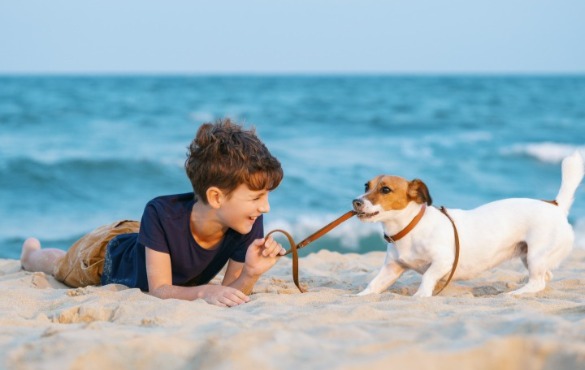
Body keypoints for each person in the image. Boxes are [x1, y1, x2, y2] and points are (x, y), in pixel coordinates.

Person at [20, 118, 286, 307]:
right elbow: (158, 290)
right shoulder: (160, 211)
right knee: (59, 264)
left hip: (148, 242)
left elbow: (229, 294)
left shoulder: (246, 220)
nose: (265, 207)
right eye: (256, 197)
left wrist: (251, 273)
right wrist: (203, 291)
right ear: (216, 197)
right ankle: (30, 254)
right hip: (106, 256)